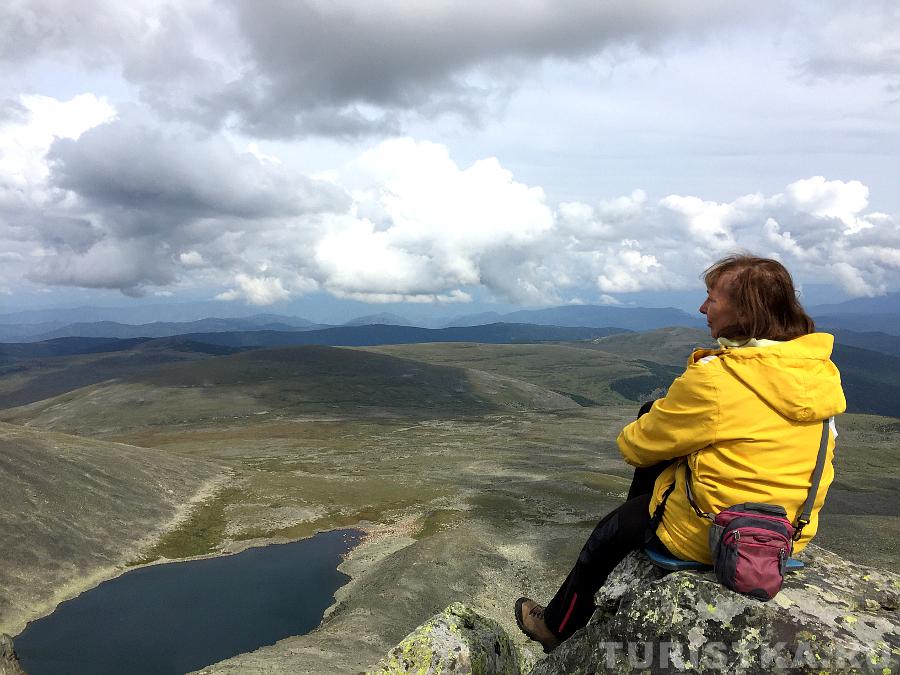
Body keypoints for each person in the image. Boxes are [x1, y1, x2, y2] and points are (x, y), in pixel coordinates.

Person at [514, 254, 846, 653]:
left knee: (608, 533)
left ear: (745, 311)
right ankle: (642, 515)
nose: (703, 308)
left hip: (714, 536)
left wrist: (657, 417)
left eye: (712, 298)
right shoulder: (818, 371)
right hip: (789, 534)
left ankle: (555, 625)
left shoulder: (716, 379)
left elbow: (634, 446)